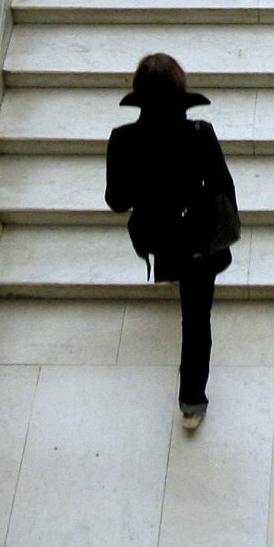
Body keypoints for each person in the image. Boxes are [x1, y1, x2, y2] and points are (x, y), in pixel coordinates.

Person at [102, 51, 239, 430]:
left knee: (188, 297)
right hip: (197, 242)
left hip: (156, 236)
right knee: (196, 319)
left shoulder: (123, 139)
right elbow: (223, 186)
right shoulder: (200, 133)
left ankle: (174, 274)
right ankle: (192, 401)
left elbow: (117, 201)